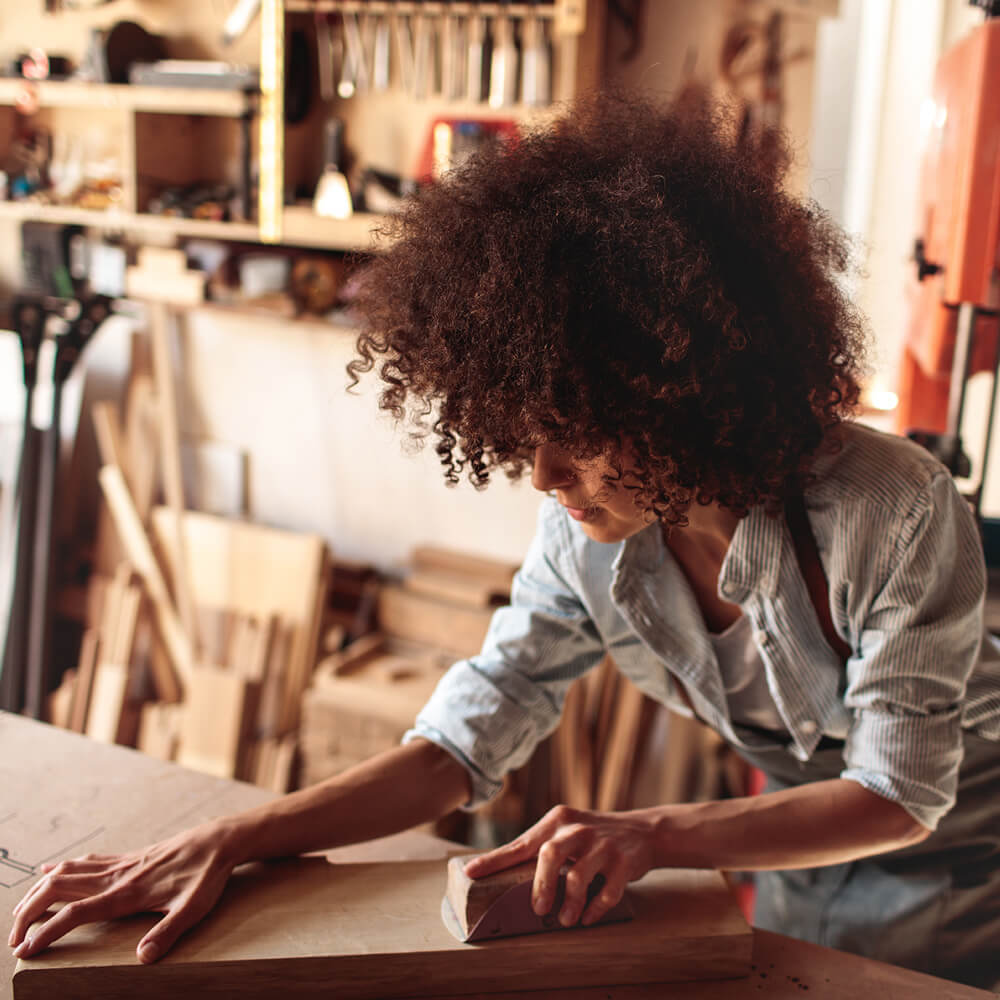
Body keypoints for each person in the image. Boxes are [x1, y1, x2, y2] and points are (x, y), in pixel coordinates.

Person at [9, 93, 1000, 990]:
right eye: (527, 434)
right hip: (793, 838)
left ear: (681, 395)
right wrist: (233, 839)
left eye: (577, 434)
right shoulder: (592, 537)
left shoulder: (892, 508)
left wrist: (648, 832)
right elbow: (462, 740)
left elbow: (894, 790)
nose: (540, 475)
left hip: (962, 851)